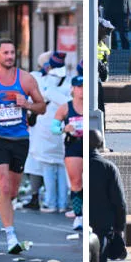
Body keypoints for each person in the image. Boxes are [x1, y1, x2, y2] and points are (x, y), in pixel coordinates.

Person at [0, 36, 47, 253]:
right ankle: (11, 237)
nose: (9, 56)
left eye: (12, 52)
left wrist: (26, 103)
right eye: (5, 53)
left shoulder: (26, 79)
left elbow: (42, 107)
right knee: (5, 185)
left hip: (20, 138)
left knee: (13, 191)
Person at [88, 129, 127, 262]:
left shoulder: (78, 164)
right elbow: (120, 202)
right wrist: (120, 228)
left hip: (88, 225)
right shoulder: (108, 168)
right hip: (102, 228)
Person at [53, 74, 85, 231]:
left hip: (91, 145)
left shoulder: (92, 105)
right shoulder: (65, 108)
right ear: (73, 89)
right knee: (76, 182)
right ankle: (79, 216)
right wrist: (64, 129)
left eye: (85, 87)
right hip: (73, 146)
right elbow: (54, 128)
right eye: (79, 87)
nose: (82, 91)